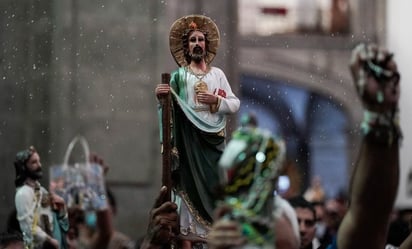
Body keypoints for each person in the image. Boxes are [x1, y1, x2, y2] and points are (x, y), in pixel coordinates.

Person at [155, 14, 240, 246]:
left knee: (214, 185)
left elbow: (234, 104)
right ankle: (189, 235)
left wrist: (216, 100)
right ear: (186, 46)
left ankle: (213, 232)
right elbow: (169, 108)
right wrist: (163, 98)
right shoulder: (179, 77)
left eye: (200, 40)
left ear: (206, 44)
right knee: (187, 185)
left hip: (211, 142)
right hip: (188, 141)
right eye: (192, 40)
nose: (196, 44)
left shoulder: (217, 75)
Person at [13, 146, 69, 249]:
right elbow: (28, 228)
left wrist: (61, 207)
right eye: (34, 162)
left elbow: (56, 218)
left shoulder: (42, 191)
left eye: (39, 161)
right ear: (24, 167)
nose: (39, 165)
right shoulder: (23, 194)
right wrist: (48, 240)